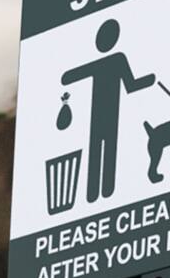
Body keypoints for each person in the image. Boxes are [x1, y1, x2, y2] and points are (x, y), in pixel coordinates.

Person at [59, 17, 155, 206]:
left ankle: (104, 193)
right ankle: (94, 194)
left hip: (110, 114)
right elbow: (68, 77)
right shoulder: (108, 62)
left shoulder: (118, 59)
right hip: (98, 116)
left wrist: (148, 81)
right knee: (99, 149)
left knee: (107, 149)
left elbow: (131, 85)